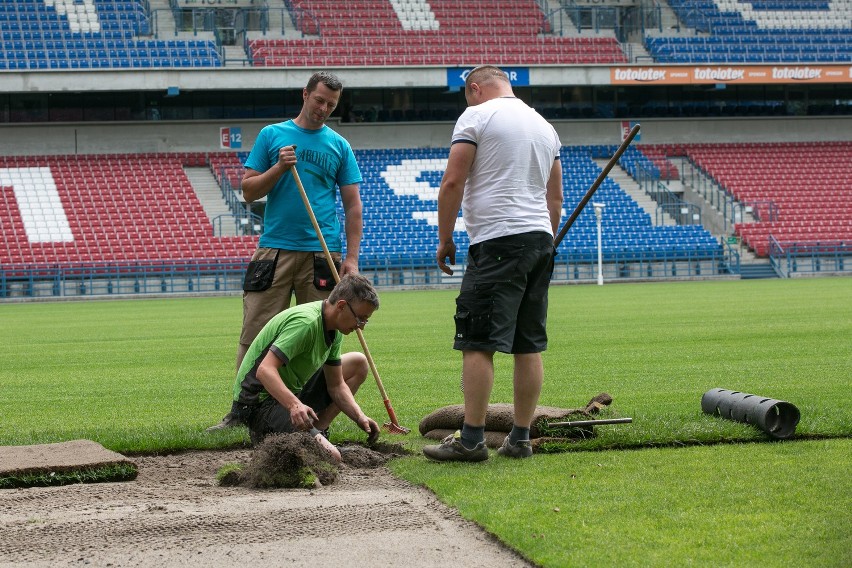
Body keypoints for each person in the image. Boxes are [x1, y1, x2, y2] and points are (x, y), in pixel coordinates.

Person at [208, 71, 363, 431]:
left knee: (325, 337)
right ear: (305, 94)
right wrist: (279, 167)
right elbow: (248, 191)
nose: (323, 108)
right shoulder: (272, 135)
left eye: (331, 104)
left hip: (323, 253)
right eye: (319, 100)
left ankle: (311, 419)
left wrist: (351, 259)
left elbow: (353, 206)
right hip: (274, 250)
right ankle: (239, 413)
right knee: (255, 331)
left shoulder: (339, 146)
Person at [422, 65, 564, 462]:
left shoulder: (477, 114)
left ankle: (471, 439)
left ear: (475, 88)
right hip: (538, 239)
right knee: (527, 343)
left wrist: (445, 237)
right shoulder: (543, 125)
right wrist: (547, 240)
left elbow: (453, 180)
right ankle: (519, 438)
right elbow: (555, 199)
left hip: (498, 240)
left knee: (478, 340)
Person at [230, 273, 381, 461]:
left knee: (358, 363)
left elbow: (336, 385)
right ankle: (300, 435)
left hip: (290, 392)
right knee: (332, 457)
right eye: (360, 319)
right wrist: (294, 405)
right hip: (259, 403)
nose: (361, 327)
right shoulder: (305, 323)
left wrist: (360, 417)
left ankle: (319, 431)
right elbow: (265, 370)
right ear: (342, 306)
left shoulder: (335, 327)